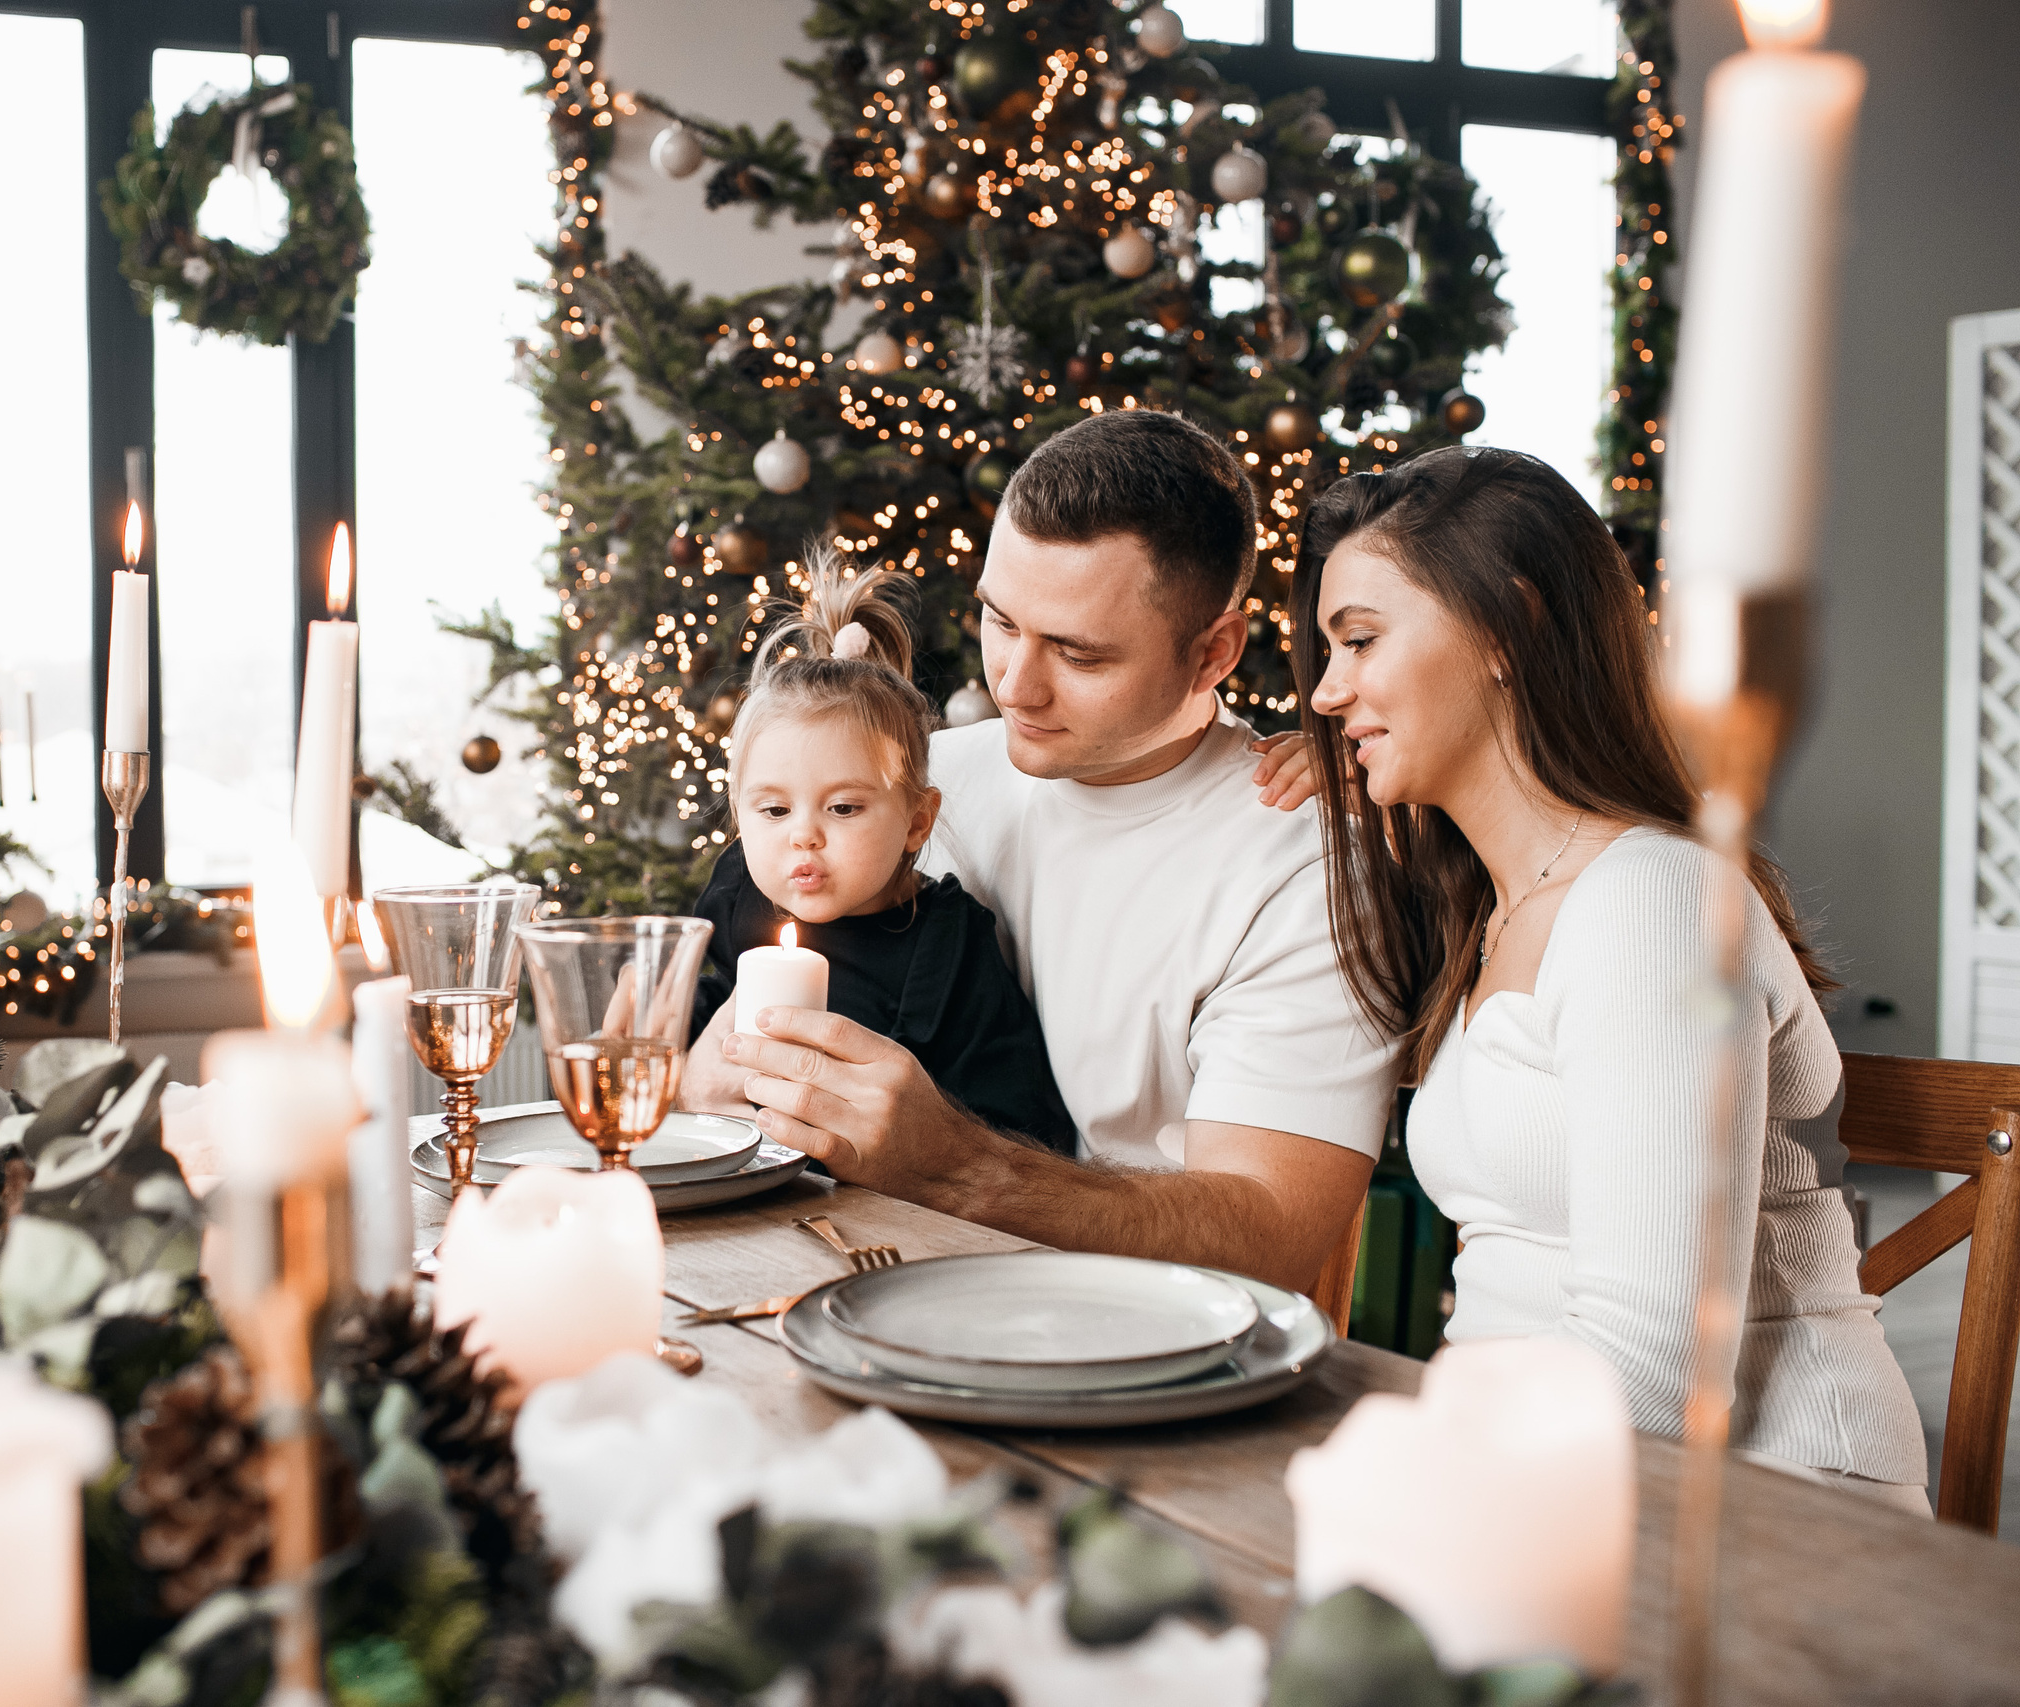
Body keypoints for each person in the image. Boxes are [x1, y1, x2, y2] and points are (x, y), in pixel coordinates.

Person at [1290, 444, 1927, 1509]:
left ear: (1508, 626)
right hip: (1556, 1479)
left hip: (1761, 1499)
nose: (1322, 692)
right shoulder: (1486, 911)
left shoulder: (1652, 901)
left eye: (1359, 640)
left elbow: (1652, 1376)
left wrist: (1396, 1469)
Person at [689, 410, 1398, 1293]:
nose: (1013, 686)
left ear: (1213, 652)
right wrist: (696, 1085)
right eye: (1000, 620)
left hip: (1141, 1335)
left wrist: (957, 1166)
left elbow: (1271, 1235)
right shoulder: (915, 781)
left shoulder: (1304, 870)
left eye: (1078, 654)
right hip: (859, 1284)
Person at [682, 554, 1077, 1155]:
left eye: (843, 808)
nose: (803, 837)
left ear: (917, 821)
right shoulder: (741, 896)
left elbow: (1020, 1124)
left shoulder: (948, 948)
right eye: (774, 810)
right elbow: (716, 1003)